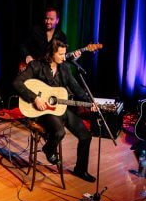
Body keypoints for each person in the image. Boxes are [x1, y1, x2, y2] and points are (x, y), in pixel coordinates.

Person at [13, 39, 96, 182]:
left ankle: (80, 170)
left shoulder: (64, 68)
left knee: (85, 136)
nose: (65, 57)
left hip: (60, 108)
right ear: (51, 54)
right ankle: (49, 149)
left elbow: (76, 88)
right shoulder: (36, 66)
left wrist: (89, 103)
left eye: (65, 54)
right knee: (59, 131)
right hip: (42, 111)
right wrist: (35, 98)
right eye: (61, 54)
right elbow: (17, 83)